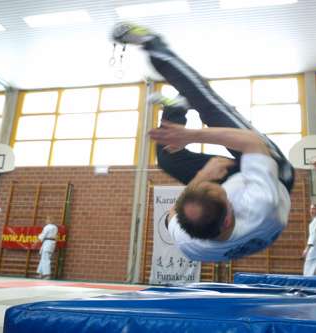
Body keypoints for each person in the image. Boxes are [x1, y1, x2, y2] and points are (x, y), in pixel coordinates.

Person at [112, 23, 295, 262]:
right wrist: (193, 135)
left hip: (235, 186)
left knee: (168, 158)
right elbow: (251, 143)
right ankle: (153, 44)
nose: (208, 181)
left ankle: (175, 107)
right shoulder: (262, 204)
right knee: (210, 109)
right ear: (229, 214)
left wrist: (201, 178)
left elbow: (172, 215)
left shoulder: (189, 242)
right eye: (214, 187)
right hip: (276, 176)